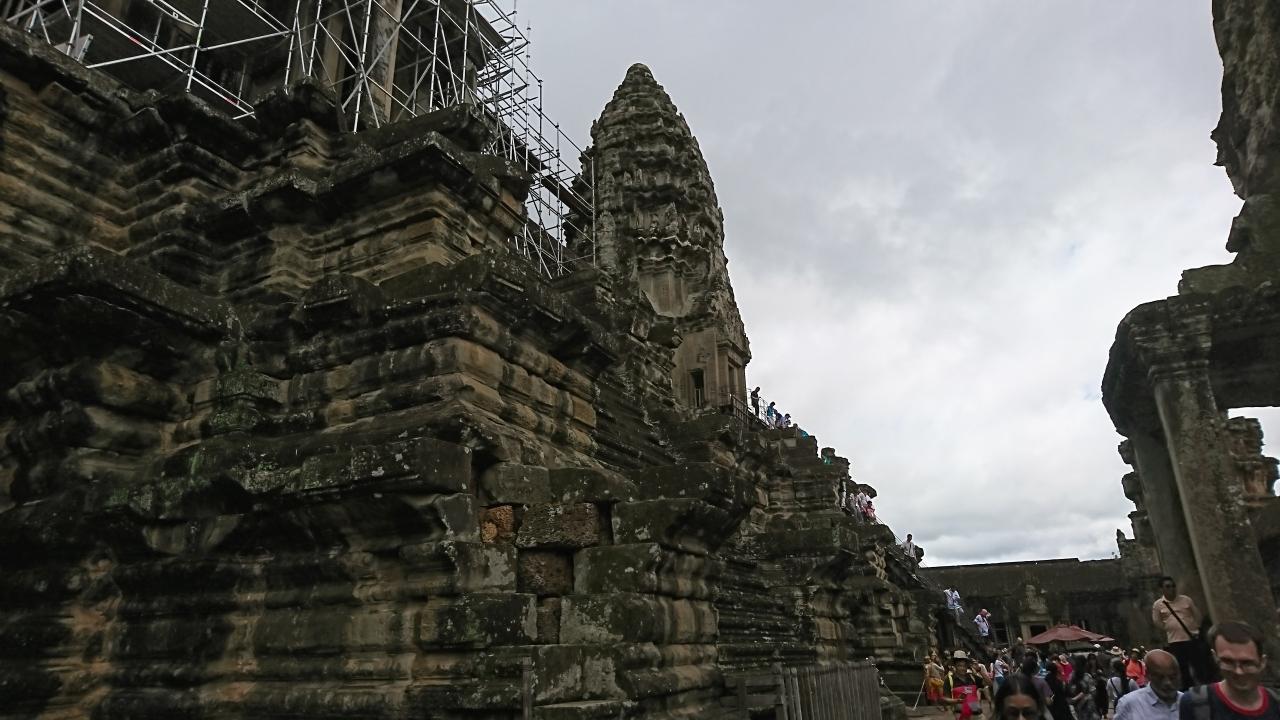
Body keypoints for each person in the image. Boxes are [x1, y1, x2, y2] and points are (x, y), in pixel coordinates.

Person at [1178, 621, 1278, 720]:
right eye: (1228, 662)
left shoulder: (1276, 703)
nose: (1238, 672)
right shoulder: (1196, 704)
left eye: (1247, 663)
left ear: (1262, 662)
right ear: (1215, 657)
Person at [1152, 577, 1208, 690]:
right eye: (1168, 586)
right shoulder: (1158, 605)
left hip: (1191, 638)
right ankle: (1188, 690)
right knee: (1182, 668)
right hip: (1175, 641)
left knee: (1199, 665)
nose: (1172, 589)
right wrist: (1169, 627)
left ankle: (1205, 687)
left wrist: (1196, 628)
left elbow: (1197, 614)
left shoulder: (1186, 600)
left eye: (1173, 586)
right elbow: (1157, 621)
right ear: (1161, 589)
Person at [1115, 650, 1181, 720]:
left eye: (1172, 677)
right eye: (1160, 677)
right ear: (1148, 675)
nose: (1168, 683)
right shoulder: (1129, 704)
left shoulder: (1186, 702)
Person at [945, 650, 987, 719]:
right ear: (955, 666)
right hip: (961, 715)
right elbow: (945, 698)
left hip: (977, 715)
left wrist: (979, 670)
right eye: (959, 666)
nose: (962, 668)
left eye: (964, 666)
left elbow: (989, 683)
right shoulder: (949, 679)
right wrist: (957, 700)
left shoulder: (972, 677)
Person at [1071, 653, 1102, 720]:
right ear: (1085, 664)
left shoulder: (1071, 676)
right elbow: (1093, 692)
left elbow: (1070, 691)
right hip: (1088, 707)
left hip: (1077, 707)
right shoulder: (1087, 676)